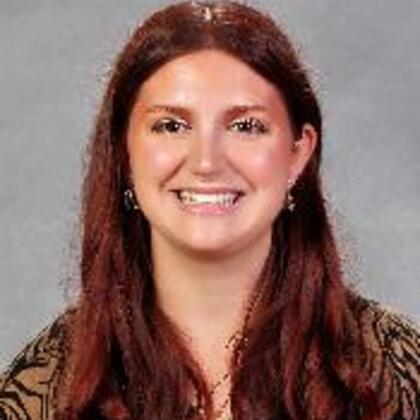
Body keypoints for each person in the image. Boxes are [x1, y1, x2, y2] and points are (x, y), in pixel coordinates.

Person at [0, 1, 419, 419]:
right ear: (124, 153)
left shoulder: (396, 369)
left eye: (245, 126)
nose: (206, 162)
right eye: (171, 126)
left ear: (298, 154)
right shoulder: (46, 387)